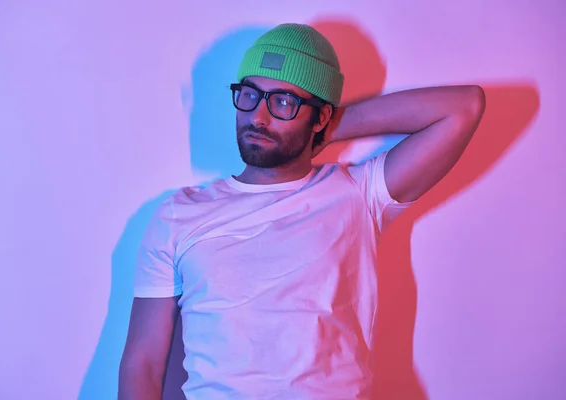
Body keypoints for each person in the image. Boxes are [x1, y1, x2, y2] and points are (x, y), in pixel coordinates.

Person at [118, 23, 485, 399]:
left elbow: (464, 108)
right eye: (250, 95)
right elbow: (142, 363)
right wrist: (300, 120)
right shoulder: (178, 214)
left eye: (282, 102)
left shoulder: (357, 194)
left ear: (322, 116)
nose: (258, 117)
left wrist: (320, 132)